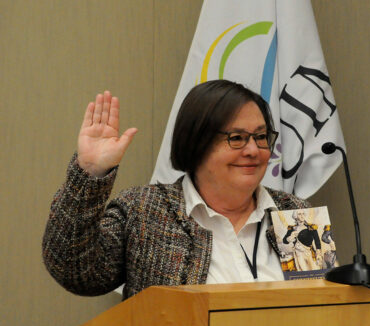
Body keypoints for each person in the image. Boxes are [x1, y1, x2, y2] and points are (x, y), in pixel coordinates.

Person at [42, 80, 311, 300]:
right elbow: (75, 269)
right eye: (237, 138)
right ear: (197, 143)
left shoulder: (296, 214)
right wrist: (90, 173)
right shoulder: (144, 211)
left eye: (261, 136)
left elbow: (323, 309)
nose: (253, 150)